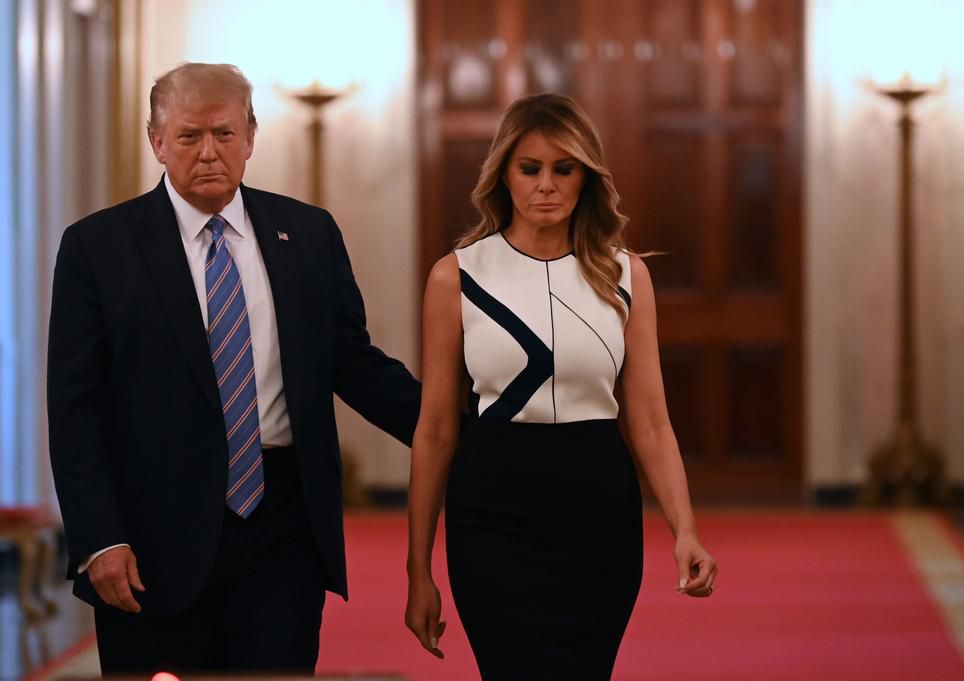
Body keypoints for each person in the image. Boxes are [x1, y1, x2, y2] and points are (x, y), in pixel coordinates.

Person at [47, 62, 420, 675]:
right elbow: (74, 408)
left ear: (251, 135)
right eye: (189, 136)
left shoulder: (307, 233)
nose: (209, 153)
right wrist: (98, 538)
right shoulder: (98, 247)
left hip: (283, 525)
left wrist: (456, 430)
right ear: (156, 141)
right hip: (151, 532)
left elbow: (353, 363)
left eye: (224, 134)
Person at [405, 93, 717, 680]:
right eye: (530, 168)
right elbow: (437, 430)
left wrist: (686, 532)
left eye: (563, 168)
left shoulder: (626, 276)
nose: (546, 184)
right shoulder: (457, 276)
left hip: (597, 512)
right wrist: (417, 569)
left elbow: (649, 421)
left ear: (586, 178)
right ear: (505, 175)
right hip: (493, 509)